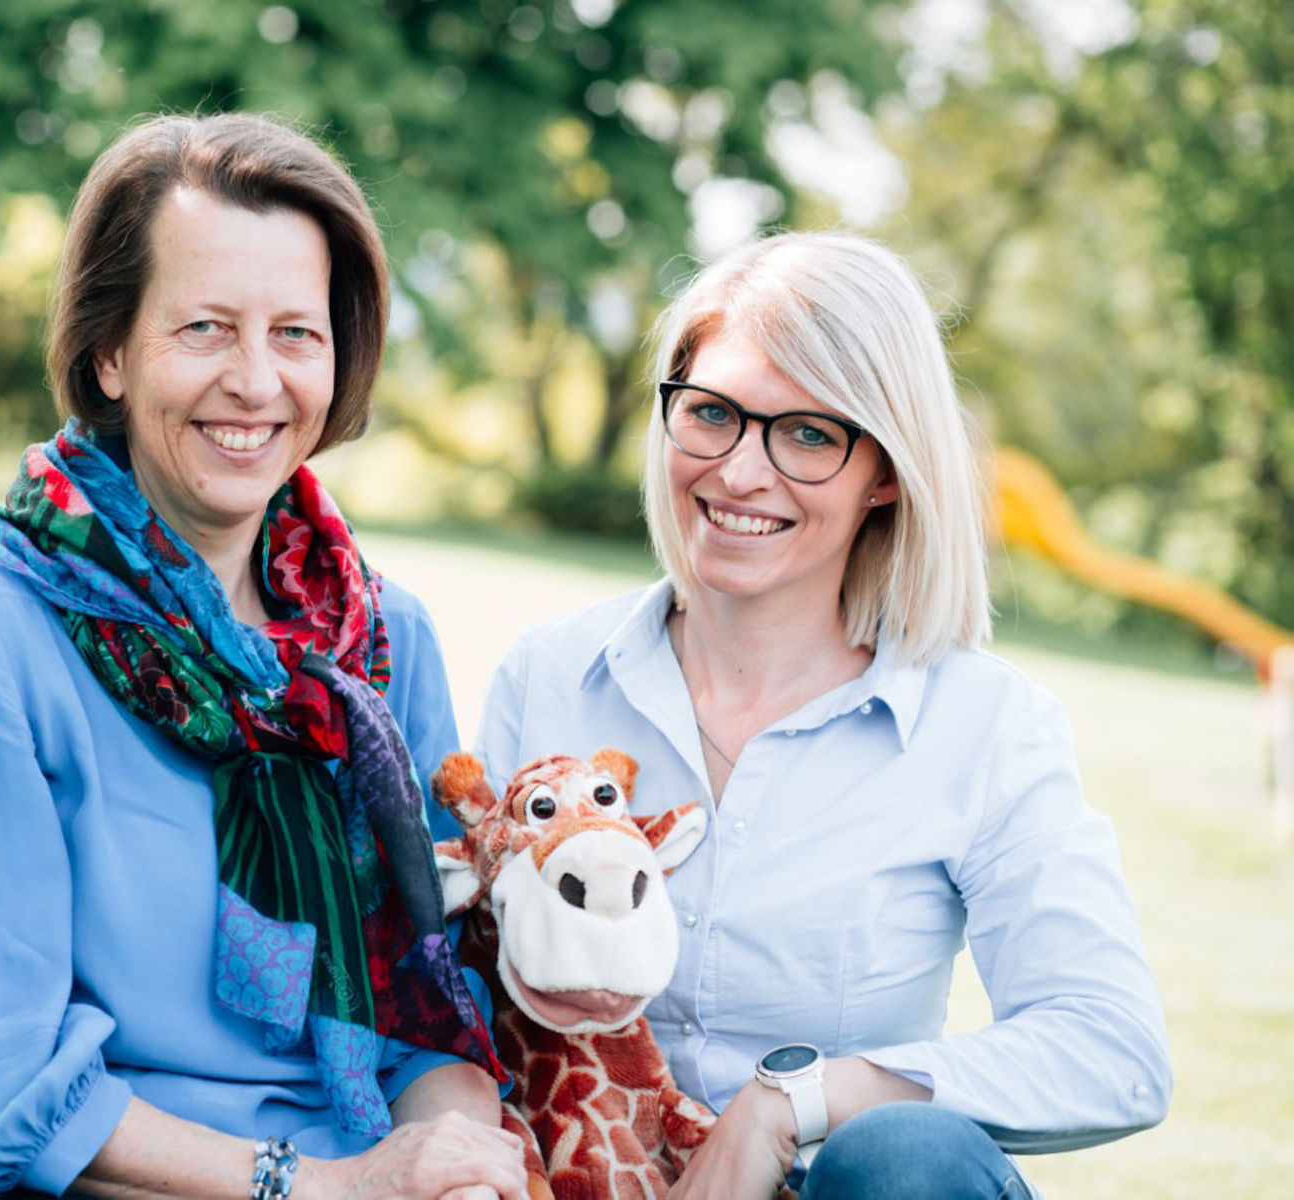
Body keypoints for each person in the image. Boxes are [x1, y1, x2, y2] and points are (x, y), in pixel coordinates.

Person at [0, 113, 526, 1200]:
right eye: (205, 328)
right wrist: (322, 1188)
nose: (255, 380)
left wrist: (454, 1164)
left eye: (297, 333)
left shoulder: (383, 645)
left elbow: (434, 1018)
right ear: (108, 353)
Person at [474, 231, 1172, 1199]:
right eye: (711, 413)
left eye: (808, 434)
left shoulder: (984, 726)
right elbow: (449, 991)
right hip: (589, 1175)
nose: (739, 473)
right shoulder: (550, 677)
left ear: (884, 471)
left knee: (906, 1158)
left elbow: (1113, 1050)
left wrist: (791, 1103)